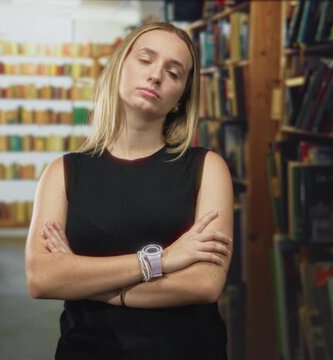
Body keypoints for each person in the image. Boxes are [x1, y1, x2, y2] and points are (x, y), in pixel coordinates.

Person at [25, 21, 233, 359]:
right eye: (146, 60)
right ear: (119, 66)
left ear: (181, 97)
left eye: (174, 72)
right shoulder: (62, 173)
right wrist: (162, 260)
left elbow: (203, 284)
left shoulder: (208, 169)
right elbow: (42, 279)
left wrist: (83, 280)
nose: (155, 76)